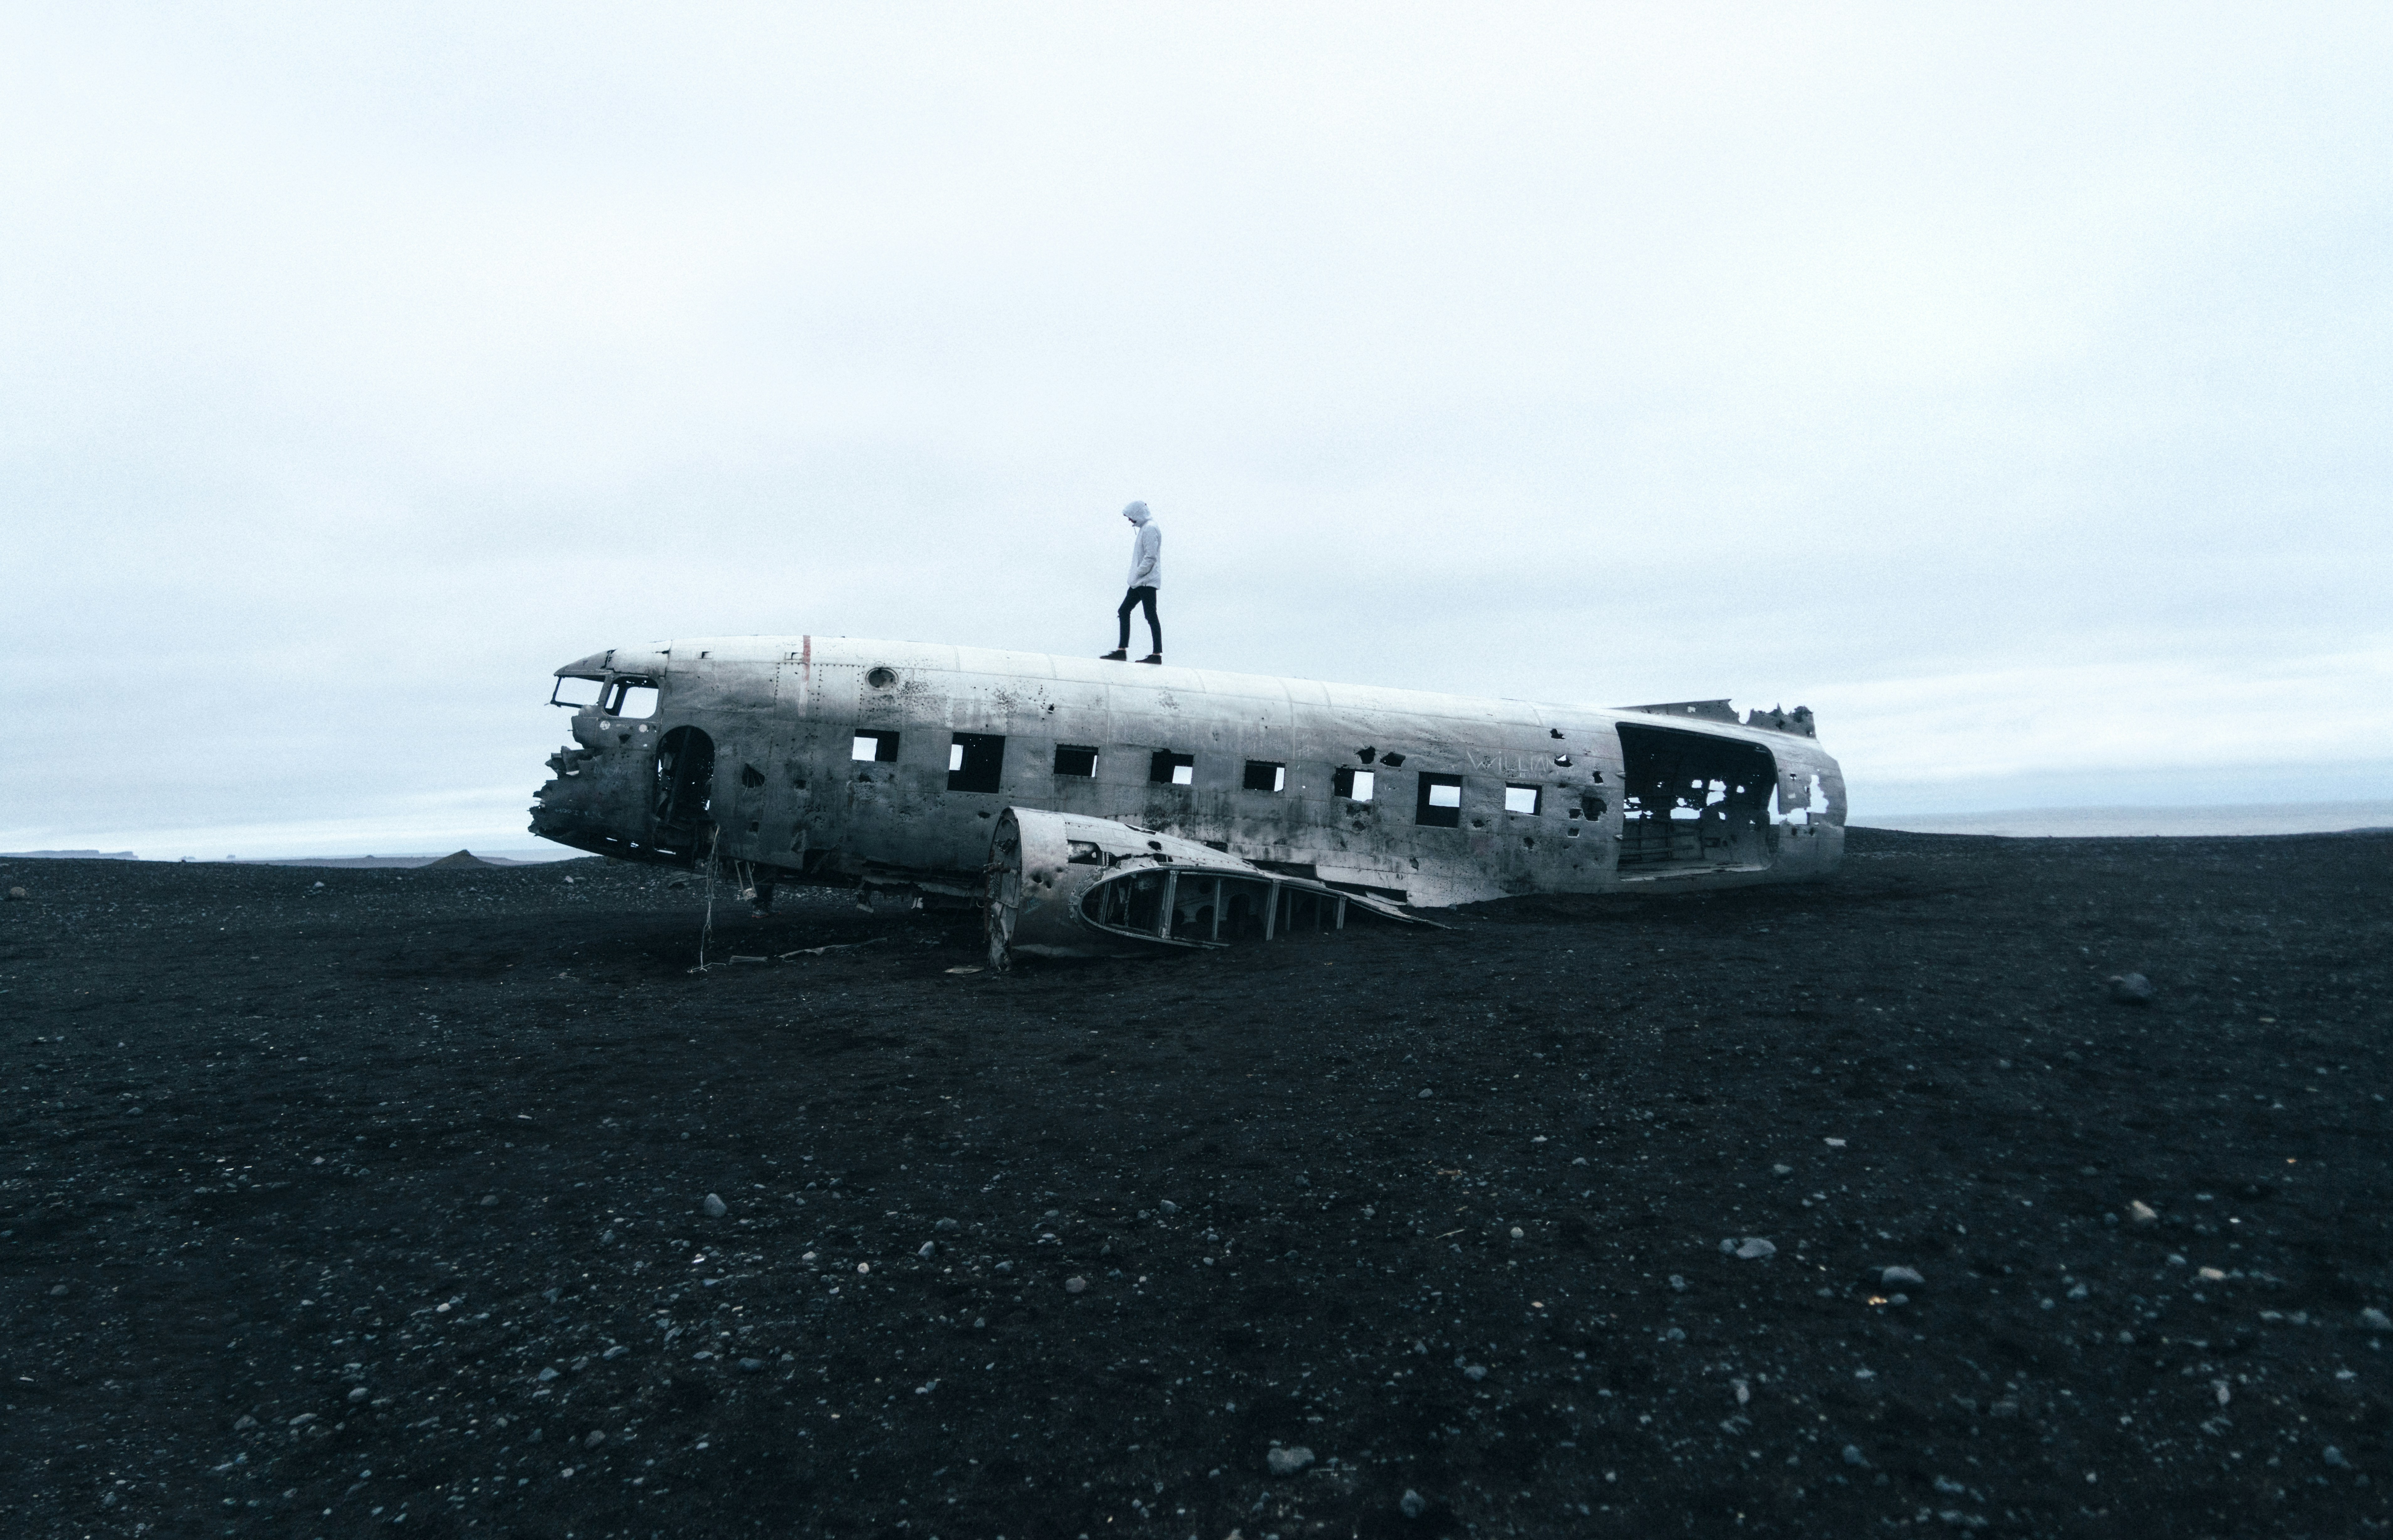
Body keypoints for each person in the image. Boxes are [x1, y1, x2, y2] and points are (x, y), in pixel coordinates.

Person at [1101, 500, 1162, 664]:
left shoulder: (1149, 529)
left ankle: (1157, 655)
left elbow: (1151, 557)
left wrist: (1138, 573)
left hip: (1146, 581)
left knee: (1150, 616)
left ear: (1138, 514)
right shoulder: (1145, 528)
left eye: (1131, 517)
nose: (1130, 520)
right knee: (1124, 611)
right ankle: (1122, 651)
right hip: (1139, 582)